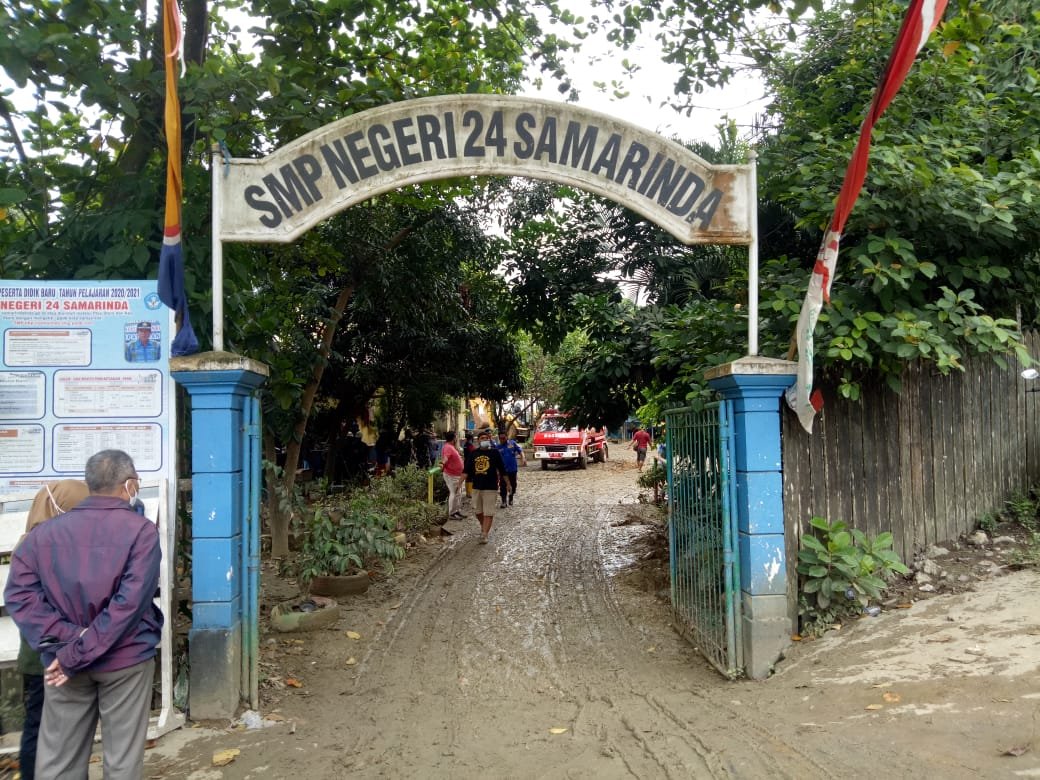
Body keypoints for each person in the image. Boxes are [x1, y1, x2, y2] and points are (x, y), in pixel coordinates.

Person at [5, 450, 163, 780]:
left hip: (62, 665)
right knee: (121, 763)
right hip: (124, 661)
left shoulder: (43, 535)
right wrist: (81, 646)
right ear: (129, 484)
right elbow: (129, 605)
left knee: (59, 763)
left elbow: (20, 596)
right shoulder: (141, 532)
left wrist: (69, 644)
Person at [14, 480, 90, 780]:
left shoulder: (34, 544)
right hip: (47, 657)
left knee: (52, 727)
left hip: (50, 655)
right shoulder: (44, 550)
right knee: (43, 726)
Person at [464, 430, 506, 544]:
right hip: (477, 486)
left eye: (486, 438)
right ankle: (484, 526)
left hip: (491, 487)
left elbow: (502, 469)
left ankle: (484, 534)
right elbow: (466, 470)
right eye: (482, 438)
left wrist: (508, 483)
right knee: (478, 512)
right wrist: (459, 483)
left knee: (488, 512)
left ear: (489, 440)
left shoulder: (495, 452)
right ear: (478, 440)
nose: (484, 440)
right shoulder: (473, 453)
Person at [495, 429, 526, 508]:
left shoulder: (512, 443)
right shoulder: (497, 447)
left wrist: (523, 458)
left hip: (512, 469)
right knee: (502, 485)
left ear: (507, 437)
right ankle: (504, 501)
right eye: (500, 438)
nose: (502, 440)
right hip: (503, 470)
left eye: (503, 438)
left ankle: (511, 496)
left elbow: (520, 451)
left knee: (513, 485)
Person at [440, 431, 466, 520]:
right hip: (451, 475)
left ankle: (456, 511)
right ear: (454, 438)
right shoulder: (448, 447)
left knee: (458, 493)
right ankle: (452, 513)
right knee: (454, 493)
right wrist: (442, 464)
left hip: (457, 475)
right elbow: (445, 458)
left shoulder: (451, 447)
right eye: (456, 437)